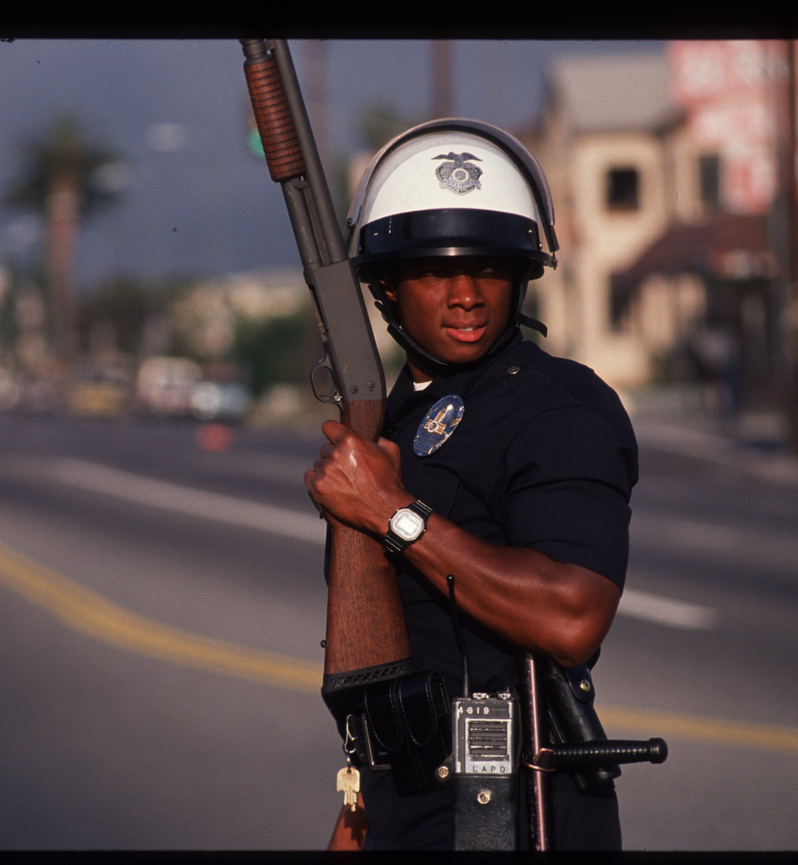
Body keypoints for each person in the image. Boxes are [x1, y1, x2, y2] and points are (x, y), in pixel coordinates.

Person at [305, 119, 636, 850]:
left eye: (487, 265)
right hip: (407, 799)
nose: (465, 294)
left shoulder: (558, 406)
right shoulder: (397, 415)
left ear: (520, 276)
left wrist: (393, 511)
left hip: (512, 810)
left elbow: (572, 615)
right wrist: (359, 810)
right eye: (433, 270)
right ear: (386, 286)